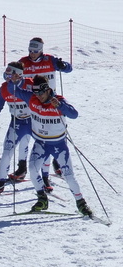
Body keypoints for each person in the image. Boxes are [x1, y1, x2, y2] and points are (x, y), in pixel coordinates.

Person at [7, 74, 93, 216]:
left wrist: (61, 106)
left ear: (48, 90)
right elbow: (13, 90)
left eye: (41, 92)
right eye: (36, 92)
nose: (38, 96)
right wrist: (13, 81)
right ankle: (42, 198)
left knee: (68, 175)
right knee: (33, 170)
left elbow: (74, 114)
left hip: (58, 144)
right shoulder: (32, 98)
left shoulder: (58, 101)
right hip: (40, 143)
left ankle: (81, 203)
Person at [19, 36, 72, 178]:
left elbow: (69, 68)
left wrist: (63, 65)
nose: (32, 53)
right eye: (30, 50)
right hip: (31, 101)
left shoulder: (50, 60)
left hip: (50, 100)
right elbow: (10, 75)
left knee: (56, 130)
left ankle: (57, 161)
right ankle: (22, 166)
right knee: (28, 133)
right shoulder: (23, 62)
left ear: (41, 50)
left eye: (35, 50)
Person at [0, 61, 33, 196]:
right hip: (17, 122)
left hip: (34, 122)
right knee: (7, 151)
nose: (7, 78)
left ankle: (39, 176)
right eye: (6, 75)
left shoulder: (30, 84)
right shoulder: (4, 88)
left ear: (18, 76)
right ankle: (0, 183)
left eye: (10, 75)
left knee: (36, 146)